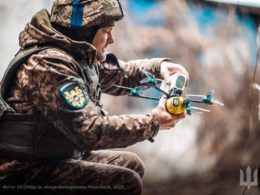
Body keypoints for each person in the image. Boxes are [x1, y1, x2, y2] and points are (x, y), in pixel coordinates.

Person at [0, 0, 188, 194]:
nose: (111, 39)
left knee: (132, 164)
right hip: (23, 170)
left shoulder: (74, 55)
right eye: (106, 32)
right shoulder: (49, 64)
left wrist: (160, 67)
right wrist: (152, 122)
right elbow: (90, 130)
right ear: (85, 32)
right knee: (124, 181)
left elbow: (120, 74)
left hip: (52, 158)